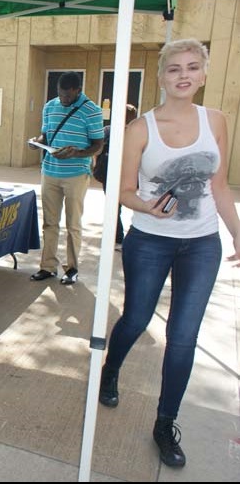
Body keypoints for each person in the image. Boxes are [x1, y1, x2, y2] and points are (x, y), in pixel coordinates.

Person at [98, 39, 240, 468]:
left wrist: (237, 233)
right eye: (175, 68)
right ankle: (110, 368)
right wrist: (147, 204)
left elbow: (219, 186)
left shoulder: (216, 120)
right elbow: (122, 192)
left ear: (203, 74)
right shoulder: (140, 128)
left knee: (183, 337)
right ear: (161, 77)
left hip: (202, 244)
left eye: (192, 67)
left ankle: (165, 423)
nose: (184, 75)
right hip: (150, 240)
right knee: (137, 319)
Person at [28, 71, 104, 285]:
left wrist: (76, 153)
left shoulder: (91, 110)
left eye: (68, 97)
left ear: (77, 91)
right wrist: (37, 140)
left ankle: (71, 269)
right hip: (50, 171)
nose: (64, 100)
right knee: (50, 223)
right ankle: (47, 267)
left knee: (73, 224)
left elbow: (98, 144)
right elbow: (46, 135)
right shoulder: (50, 106)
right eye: (61, 95)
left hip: (76, 174)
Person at [94, 104, 138, 250]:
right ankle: (121, 237)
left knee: (113, 207)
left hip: (110, 174)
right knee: (130, 205)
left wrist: (95, 165)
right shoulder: (138, 132)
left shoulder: (108, 130)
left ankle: (117, 237)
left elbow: (97, 150)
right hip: (130, 175)